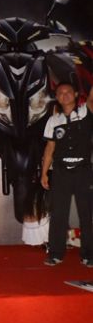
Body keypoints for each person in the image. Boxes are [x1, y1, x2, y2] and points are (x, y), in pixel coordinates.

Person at [40, 83, 93, 267]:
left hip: (83, 171)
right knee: (58, 214)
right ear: (56, 97)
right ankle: (55, 254)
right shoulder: (53, 120)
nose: (64, 95)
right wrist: (44, 173)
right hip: (61, 173)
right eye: (60, 93)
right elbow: (49, 149)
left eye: (68, 92)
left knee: (86, 214)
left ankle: (89, 255)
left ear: (76, 94)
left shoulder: (86, 111)